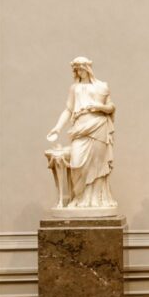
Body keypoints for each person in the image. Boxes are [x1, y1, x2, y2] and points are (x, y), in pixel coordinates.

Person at [46, 57, 116, 209]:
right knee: (76, 164)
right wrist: (57, 127)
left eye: (82, 68)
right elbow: (69, 109)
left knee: (97, 166)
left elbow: (110, 107)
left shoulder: (102, 86)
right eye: (77, 69)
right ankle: (78, 198)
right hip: (80, 129)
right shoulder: (74, 88)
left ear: (88, 69)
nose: (79, 71)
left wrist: (99, 106)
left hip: (98, 127)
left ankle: (94, 201)